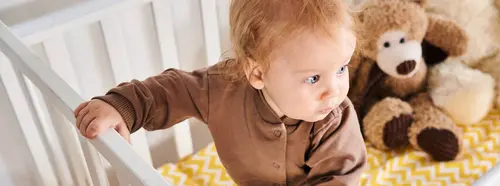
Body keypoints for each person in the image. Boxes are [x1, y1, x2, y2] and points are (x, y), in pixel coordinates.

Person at [73, 0, 367, 185]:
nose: (335, 90)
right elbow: (172, 90)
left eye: (341, 68)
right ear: (257, 73)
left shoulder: (334, 119)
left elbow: (339, 177)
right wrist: (124, 105)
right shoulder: (222, 89)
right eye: (314, 78)